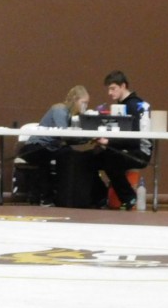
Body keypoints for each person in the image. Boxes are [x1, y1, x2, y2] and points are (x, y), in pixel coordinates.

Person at [16, 85, 90, 206]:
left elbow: (67, 138)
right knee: (44, 160)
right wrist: (85, 139)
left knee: (70, 156)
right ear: (75, 99)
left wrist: (85, 139)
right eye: (83, 103)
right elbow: (64, 133)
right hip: (36, 146)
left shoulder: (71, 115)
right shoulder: (59, 109)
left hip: (52, 147)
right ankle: (46, 198)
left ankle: (66, 196)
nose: (85, 107)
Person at [94, 70, 152, 210]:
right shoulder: (122, 106)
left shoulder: (134, 106)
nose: (110, 93)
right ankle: (100, 196)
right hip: (124, 148)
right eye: (108, 89)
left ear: (123, 86)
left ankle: (129, 197)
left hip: (139, 152)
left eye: (113, 88)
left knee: (110, 159)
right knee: (89, 158)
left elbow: (134, 140)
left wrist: (108, 142)